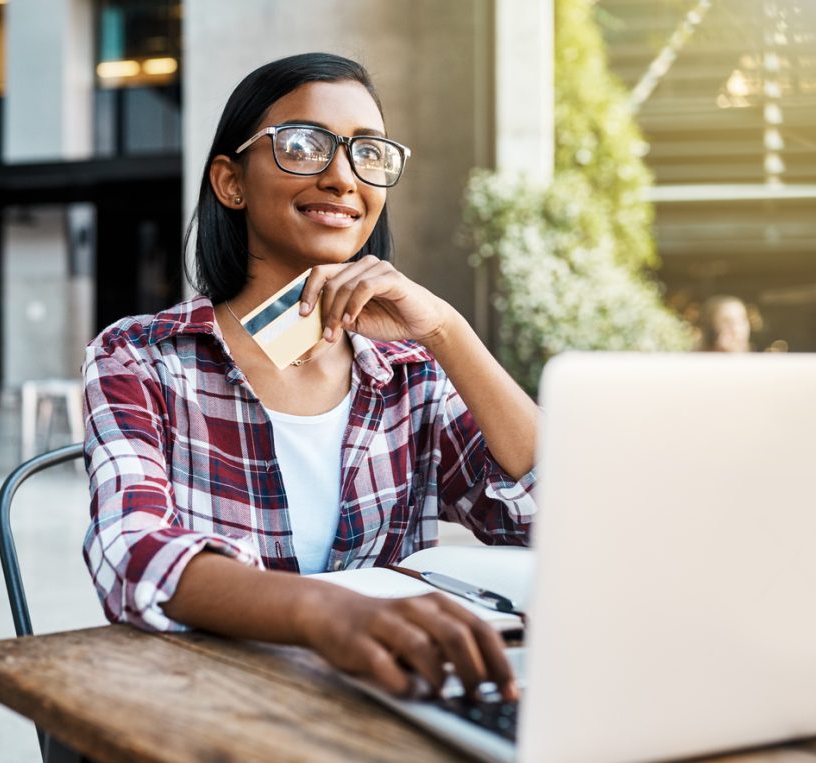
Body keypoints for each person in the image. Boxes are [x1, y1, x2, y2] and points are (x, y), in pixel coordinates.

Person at [82, 52, 538, 701]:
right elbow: (131, 554)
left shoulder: (412, 370)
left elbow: (550, 522)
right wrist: (325, 613)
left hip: (383, 701)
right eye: (303, 145)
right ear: (230, 182)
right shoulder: (142, 357)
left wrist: (447, 332)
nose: (341, 176)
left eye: (368, 153)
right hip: (202, 704)